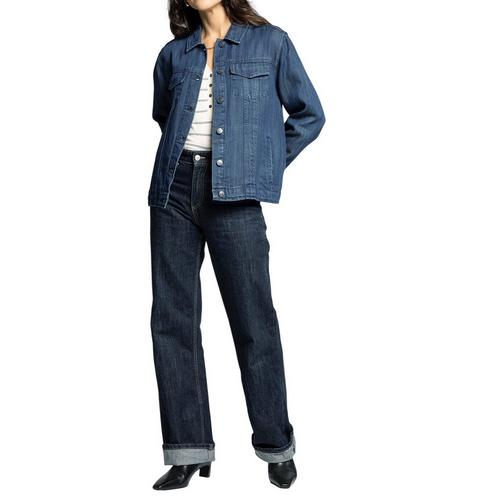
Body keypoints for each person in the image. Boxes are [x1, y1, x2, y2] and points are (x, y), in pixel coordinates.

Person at [148, 0, 325, 490]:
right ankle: (187, 451)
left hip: (236, 195)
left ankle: (276, 446)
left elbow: (310, 114)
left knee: (254, 321)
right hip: (173, 190)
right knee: (172, 322)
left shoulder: (272, 43)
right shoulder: (173, 54)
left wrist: (260, 163)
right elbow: (165, 116)